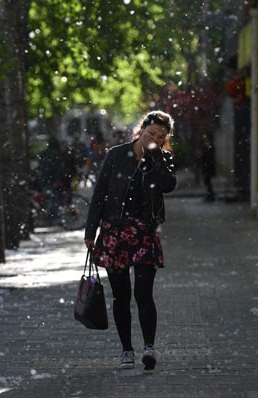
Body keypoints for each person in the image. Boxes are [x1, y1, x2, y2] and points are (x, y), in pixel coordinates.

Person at [83, 110, 176, 371]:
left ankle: (149, 348)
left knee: (144, 293)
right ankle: (126, 350)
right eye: (151, 133)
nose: (154, 138)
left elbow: (169, 185)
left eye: (160, 136)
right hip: (114, 232)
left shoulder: (163, 158)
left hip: (144, 233)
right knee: (121, 296)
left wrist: (156, 158)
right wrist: (91, 233)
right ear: (142, 128)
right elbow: (99, 194)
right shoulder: (116, 155)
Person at [200, 134, 216, 202]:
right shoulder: (207, 145)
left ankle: (211, 195)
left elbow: (209, 157)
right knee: (207, 181)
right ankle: (210, 195)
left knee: (208, 181)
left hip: (208, 167)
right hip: (206, 167)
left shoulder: (210, 146)